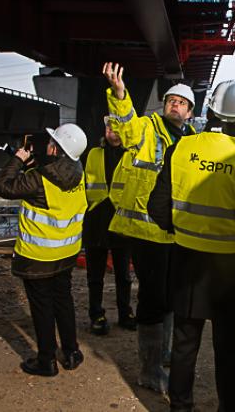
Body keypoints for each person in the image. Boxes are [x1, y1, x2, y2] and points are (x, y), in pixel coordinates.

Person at [148, 80, 235, 412]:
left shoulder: (181, 148)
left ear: (208, 109)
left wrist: (179, 230)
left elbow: (157, 207)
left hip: (187, 261)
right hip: (232, 267)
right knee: (228, 350)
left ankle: (180, 407)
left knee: (183, 344)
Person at [103, 62, 196, 393]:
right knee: (154, 299)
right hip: (146, 230)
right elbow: (125, 129)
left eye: (182, 103)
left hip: (176, 232)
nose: (175, 105)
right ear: (164, 104)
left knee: (172, 296)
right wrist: (119, 93)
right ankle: (149, 369)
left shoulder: (192, 140)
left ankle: (165, 353)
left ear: (189, 112)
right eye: (171, 99)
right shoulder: (146, 128)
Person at [0, 123, 88, 377]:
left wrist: (18, 159)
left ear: (56, 150)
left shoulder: (39, 179)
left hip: (38, 256)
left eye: (52, 143)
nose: (47, 145)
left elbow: (3, 186)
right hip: (67, 252)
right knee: (63, 301)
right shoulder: (80, 174)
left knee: (42, 307)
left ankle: (46, 360)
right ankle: (71, 352)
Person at [83, 117, 135, 335]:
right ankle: (97, 315)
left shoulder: (133, 156)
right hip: (96, 219)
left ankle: (125, 314)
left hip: (121, 221)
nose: (112, 130)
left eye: (116, 126)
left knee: (123, 274)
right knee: (95, 275)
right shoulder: (92, 154)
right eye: (108, 127)